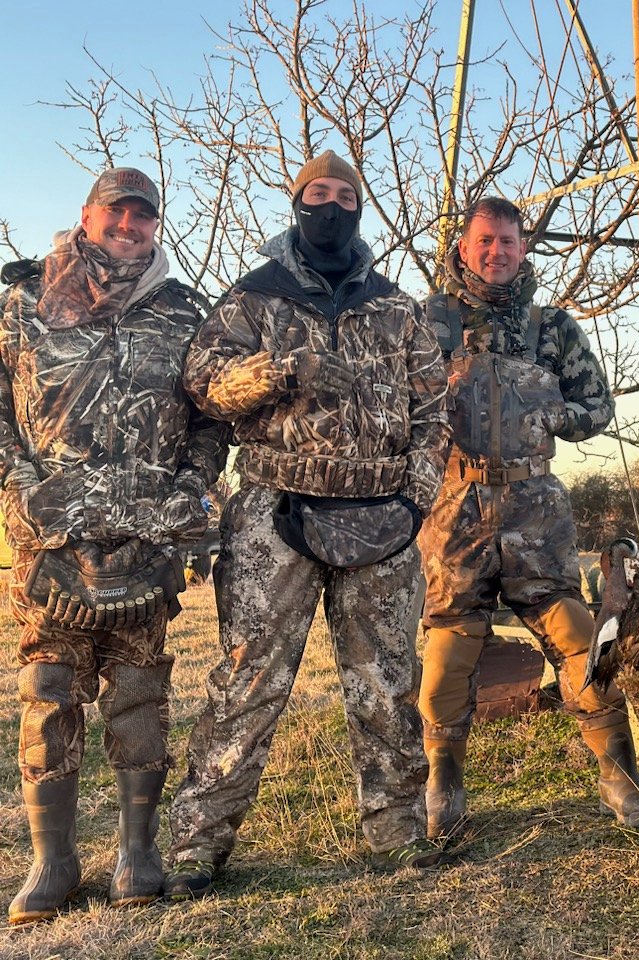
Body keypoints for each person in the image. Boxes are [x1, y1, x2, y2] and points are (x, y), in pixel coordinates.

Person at [165, 151, 451, 899]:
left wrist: (416, 500)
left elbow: (433, 413)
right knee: (247, 680)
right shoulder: (252, 297)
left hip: (382, 515)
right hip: (274, 507)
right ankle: (199, 844)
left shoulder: (397, 308)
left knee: (388, 680)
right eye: (316, 195)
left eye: (344, 196)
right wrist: (280, 369)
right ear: (296, 205)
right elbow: (203, 387)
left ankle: (395, 831)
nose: (330, 207)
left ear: (361, 208)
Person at [0, 168, 227, 924]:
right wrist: (20, 492)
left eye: (143, 216)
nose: (130, 225)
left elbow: (209, 419)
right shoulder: (25, 301)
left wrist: (189, 494)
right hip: (51, 544)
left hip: (144, 543)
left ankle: (138, 851)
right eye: (116, 213)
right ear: (88, 215)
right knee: (48, 697)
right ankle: (53, 863)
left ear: (155, 225)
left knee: (139, 698)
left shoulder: (182, 312)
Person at [417, 196, 639, 842]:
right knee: (449, 644)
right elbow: (395, 405)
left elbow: (598, 407)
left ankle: (618, 769)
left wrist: (550, 416)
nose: (496, 251)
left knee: (578, 632)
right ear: (463, 247)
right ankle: (443, 781)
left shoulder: (553, 328)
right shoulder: (428, 322)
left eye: (507, 241)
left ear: (523, 249)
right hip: (454, 506)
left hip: (537, 505)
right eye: (484, 241)